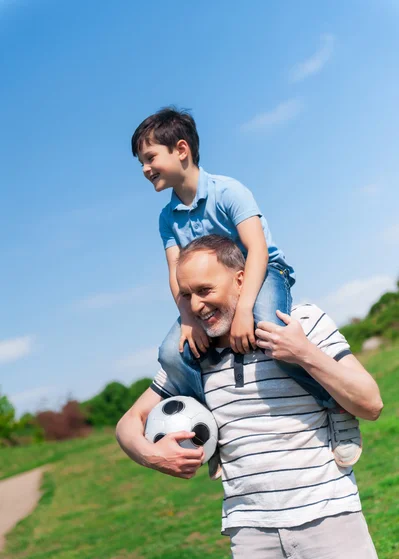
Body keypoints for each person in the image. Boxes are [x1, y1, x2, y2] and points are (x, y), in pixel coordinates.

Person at [116, 235, 387, 559]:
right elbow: (127, 425)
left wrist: (304, 353)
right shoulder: (191, 355)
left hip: (329, 520)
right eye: (186, 295)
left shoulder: (298, 321)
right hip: (250, 536)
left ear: (242, 280)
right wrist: (153, 455)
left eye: (205, 290)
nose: (196, 305)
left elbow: (370, 403)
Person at [131, 107, 361, 467]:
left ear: (181, 150)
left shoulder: (228, 191)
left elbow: (256, 251)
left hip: (264, 273)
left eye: (149, 158)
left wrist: (243, 313)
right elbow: (176, 274)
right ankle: (210, 428)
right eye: (141, 162)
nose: (145, 168)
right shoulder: (167, 217)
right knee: (171, 352)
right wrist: (188, 318)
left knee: (269, 327)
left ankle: (336, 407)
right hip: (211, 294)